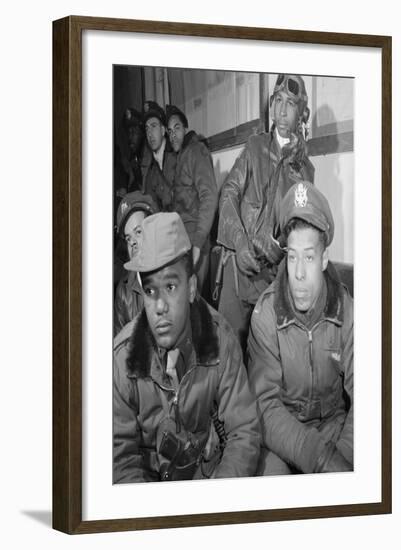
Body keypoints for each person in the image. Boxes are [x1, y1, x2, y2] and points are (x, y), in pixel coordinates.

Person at [113, 212, 260, 483]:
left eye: (170, 286)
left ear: (191, 288)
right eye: (150, 291)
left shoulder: (219, 338)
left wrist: (214, 504)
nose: (159, 307)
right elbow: (119, 460)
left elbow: (244, 431)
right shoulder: (122, 359)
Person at [247, 181, 353, 475]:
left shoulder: (346, 309)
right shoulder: (265, 314)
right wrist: (318, 457)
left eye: (308, 257)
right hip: (282, 435)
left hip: (335, 429)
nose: (298, 274)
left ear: (324, 259)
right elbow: (264, 406)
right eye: (292, 257)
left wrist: (340, 458)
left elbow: (368, 394)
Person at [217, 74, 315, 352]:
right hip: (237, 273)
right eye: (278, 101)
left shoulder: (306, 171)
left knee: (264, 359)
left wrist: (280, 248)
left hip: (271, 280)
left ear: (301, 113)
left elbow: (303, 230)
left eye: (291, 104)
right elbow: (229, 194)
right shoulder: (254, 148)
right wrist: (239, 241)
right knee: (228, 354)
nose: (282, 111)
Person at [166, 105, 218, 293]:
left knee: (195, 300)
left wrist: (197, 243)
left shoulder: (196, 151)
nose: (173, 135)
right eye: (169, 131)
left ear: (186, 128)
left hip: (197, 241)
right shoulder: (181, 156)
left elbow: (209, 197)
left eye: (177, 128)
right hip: (184, 242)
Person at [114, 191, 159, 335]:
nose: (132, 242)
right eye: (128, 238)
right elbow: (117, 348)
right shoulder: (124, 291)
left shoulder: (176, 277)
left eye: (138, 232)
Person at [141, 101, 176, 211]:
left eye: (153, 126)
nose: (150, 133)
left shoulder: (178, 154)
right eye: (147, 128)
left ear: (162, 130)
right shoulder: (151, 169)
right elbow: (150, 205)